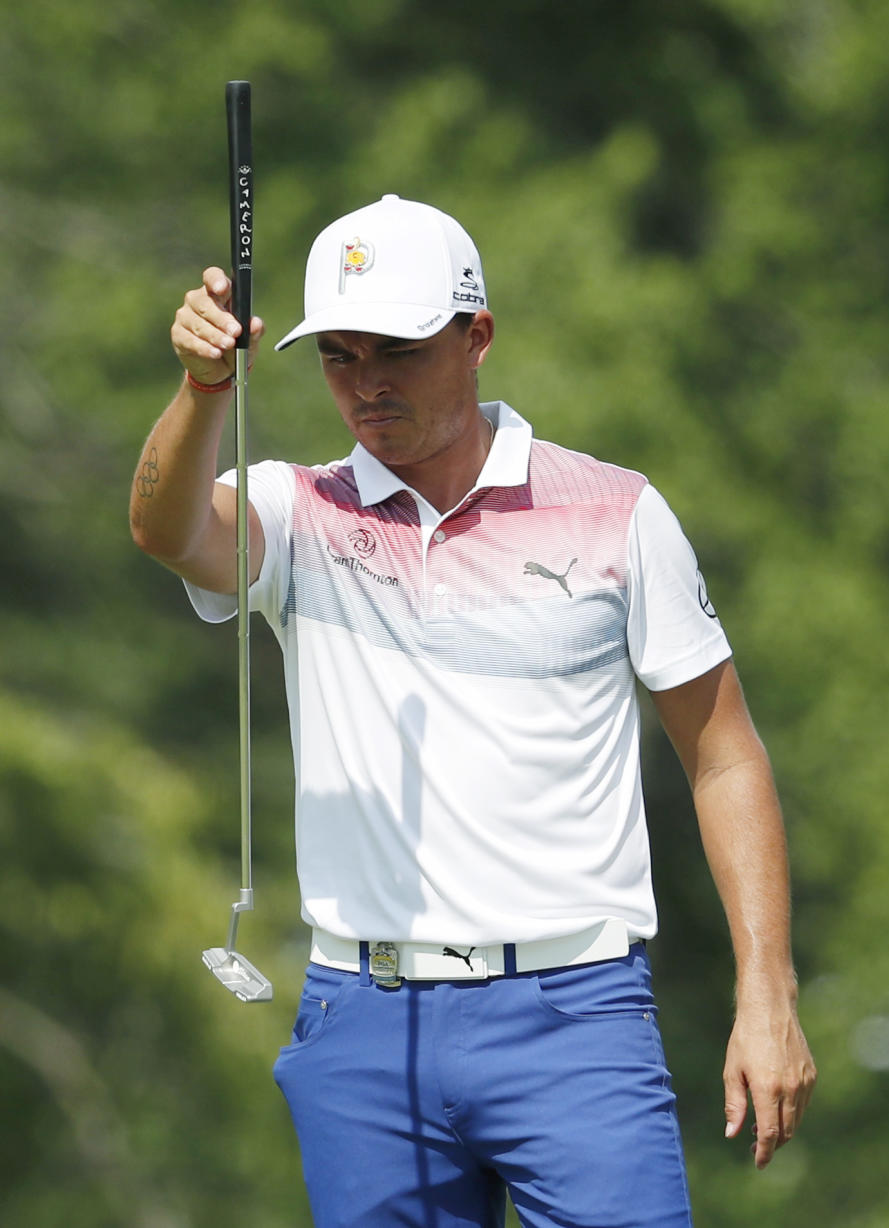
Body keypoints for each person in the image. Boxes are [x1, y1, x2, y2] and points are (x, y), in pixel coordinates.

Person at [130, 193, 815, 1228]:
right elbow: (165, 526)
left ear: (476, 336)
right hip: (363, 1022)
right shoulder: (296, 508)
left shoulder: (616, 509)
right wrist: (202, 387)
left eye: (397, 350)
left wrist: (767, 991)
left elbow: (724, 758)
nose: (367, 385)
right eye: (341, 356)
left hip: (574, 1015)